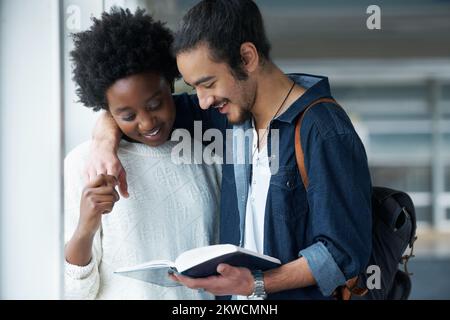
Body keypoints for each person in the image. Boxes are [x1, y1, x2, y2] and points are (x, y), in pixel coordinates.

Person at [88, 0, 372, 300]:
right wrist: (102, 145)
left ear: (246, 57)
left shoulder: (323, 129)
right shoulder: (229, 116)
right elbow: (137, 109)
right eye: (193, 87)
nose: (202, 101)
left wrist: (256, 283)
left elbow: (342, 253)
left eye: (208, 83)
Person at [64, 7, 221, 300]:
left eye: (155, 104)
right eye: (126, 115)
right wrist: (86, 225)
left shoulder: (204, 150)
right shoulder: (83, 164)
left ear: (171, 84)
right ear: (107, 111)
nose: (147, 123)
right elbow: (75, 292)